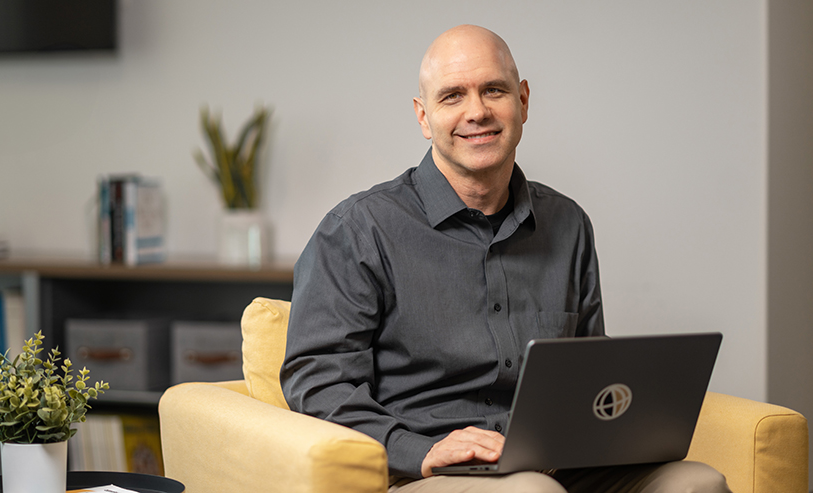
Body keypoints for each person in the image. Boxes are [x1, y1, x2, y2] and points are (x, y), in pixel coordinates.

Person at [281, 24, 730, 493]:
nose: (477, 112)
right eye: (453, 96)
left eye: (493, 90)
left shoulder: (568, 223)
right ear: (424, 117)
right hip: (428, 468)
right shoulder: (358, 229)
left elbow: (590, 372)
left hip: (558, 462)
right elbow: (316, 380)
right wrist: (417, 449)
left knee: (697, 484)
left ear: (523, 101)